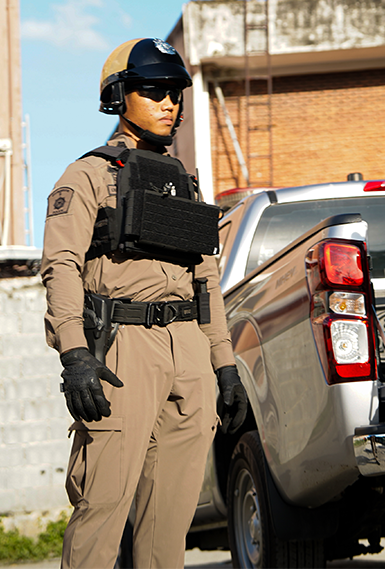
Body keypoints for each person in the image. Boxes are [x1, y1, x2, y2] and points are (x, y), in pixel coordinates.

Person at [41, 37, 248, 569]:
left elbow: (206, 282)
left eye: (175, 92)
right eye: (153, 91)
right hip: (123, 351)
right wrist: (74, 353)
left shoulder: (186, 183)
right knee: (102, 511)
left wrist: (223, 366)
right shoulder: (86, 175)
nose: (168, 103)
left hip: (189, 355)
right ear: (119, 97)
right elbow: (60, 264)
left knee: (168, 528)